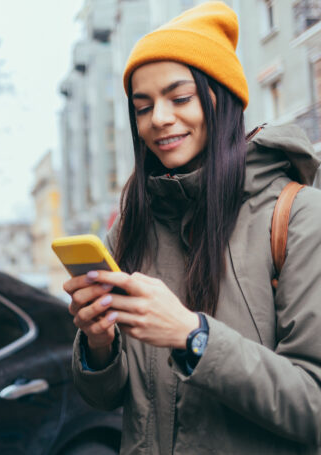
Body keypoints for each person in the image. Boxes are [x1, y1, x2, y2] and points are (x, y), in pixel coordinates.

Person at [64, 2, 321, 453]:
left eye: (179, 98)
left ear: (223, 99)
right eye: (142, 108)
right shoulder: (131, 227)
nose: (159, 119)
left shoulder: (299, 217)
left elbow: (314, 406)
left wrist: (194, 336)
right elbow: (105, 399)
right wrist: (97, 343)